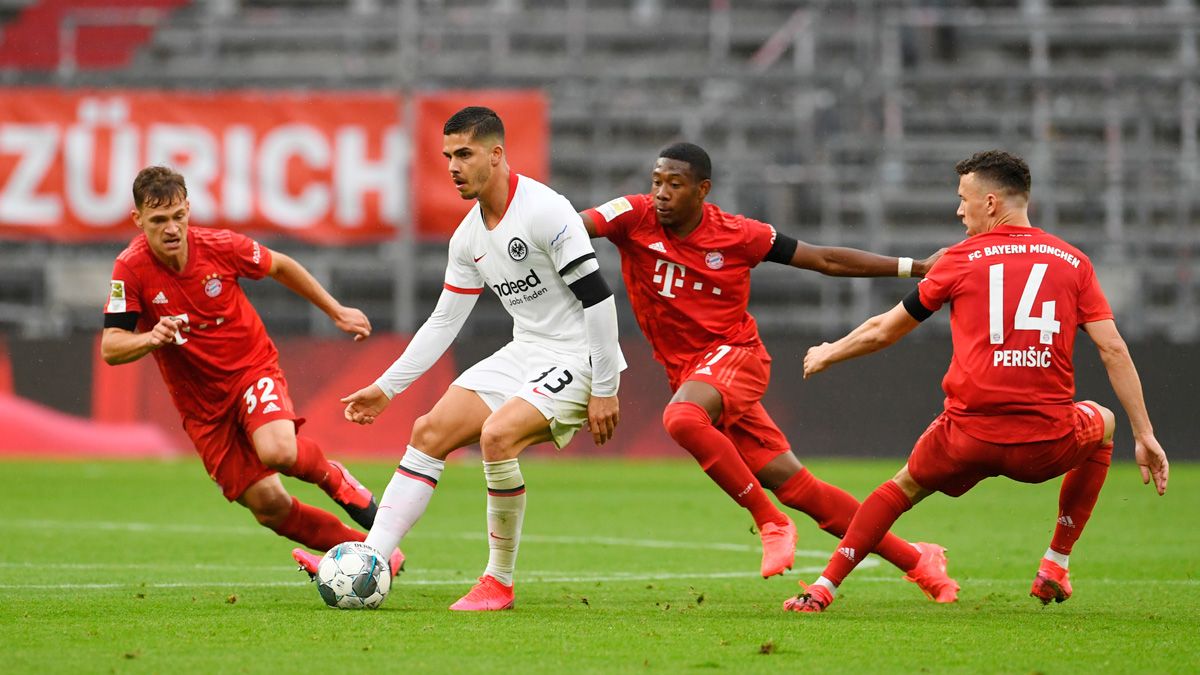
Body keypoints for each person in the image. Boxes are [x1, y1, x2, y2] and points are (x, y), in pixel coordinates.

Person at [784, 150, 1170, 613]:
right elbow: (1113, 349)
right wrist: (1145, 434)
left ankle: (823, 587)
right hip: (1044, 444)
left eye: (963, 199)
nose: (958, 210)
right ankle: (1055, 563)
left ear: (990, 202)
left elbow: (886, 329)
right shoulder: (1073, 263)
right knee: (1104, 422)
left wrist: (830, 352)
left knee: (901, 488)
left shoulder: (959, 260)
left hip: (966, 437)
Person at [578, 142, 958, 602]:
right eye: (656, 182)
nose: (660, 193)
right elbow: (575, 228)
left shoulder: (740, 234)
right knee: (799, 487)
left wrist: (915, 267)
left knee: (681, 419)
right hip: (693, 375)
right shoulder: (632, 216)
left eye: (674, 185)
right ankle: (920, 562)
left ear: (703, 191)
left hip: (736, 355)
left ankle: (770, 521)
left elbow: (824, 260)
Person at [292, 106, 625, 611]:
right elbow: (445, 322)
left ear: (496, 155)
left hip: (580, 356)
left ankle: (499, 581)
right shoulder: (468, 237)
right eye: (447, 155)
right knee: (429, 432)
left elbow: (598, 299)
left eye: (464, 154)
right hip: (527, 351)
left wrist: (605, 386)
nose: (452, 166)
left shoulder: (545, 211)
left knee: (497, 437)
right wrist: (387, 387)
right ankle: (372, 559)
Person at [101, 166, 404, 575]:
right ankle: (372, 551)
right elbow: (111, 346)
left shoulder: (220, 246)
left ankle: (336, 479)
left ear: (188, 209)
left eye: (178, 216)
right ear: (138, 220)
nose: (171, 228)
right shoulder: (131, 269)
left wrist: (336, 310)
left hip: (250, 369)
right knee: (269, 507)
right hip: (202, 408)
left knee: (277, 450)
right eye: (158, 220)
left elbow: (280, 266)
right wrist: (150, 338)